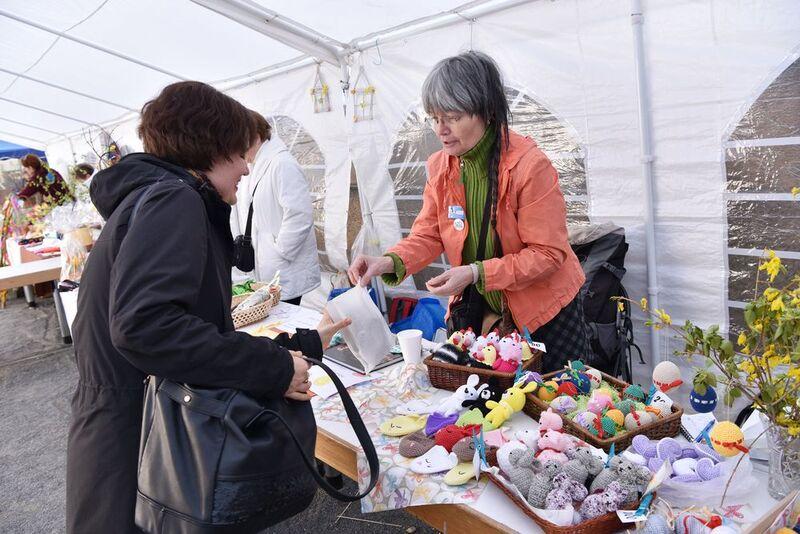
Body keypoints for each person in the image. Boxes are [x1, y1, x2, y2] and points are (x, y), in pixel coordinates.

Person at [66, 81, 349, 533]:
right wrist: (274, 369)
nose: (244, 165)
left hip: (128, 429)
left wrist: (301, 345)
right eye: (238, 152)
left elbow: (185, 331)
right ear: (211, 148)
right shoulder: (173, 200)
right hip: (140, 443)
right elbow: (148, 327)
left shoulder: (150, 198)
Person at [348, 51, 588, 372]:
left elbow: (548, 254)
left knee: (551, 406)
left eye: (453, 117)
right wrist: (387, 261)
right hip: (482, 310)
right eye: (434, 118)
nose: (440, 129)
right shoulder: (441, 166)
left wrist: (475, 273)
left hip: (542, 312)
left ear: (486, 111)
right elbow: (429, 233)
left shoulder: (530, 166)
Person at [231, 112, 320, 305]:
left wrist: (281, 251)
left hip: (283, 264)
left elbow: (299, 214)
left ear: (254, 135)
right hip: (267, 264)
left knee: (284, 321)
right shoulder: (255, 166)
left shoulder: (282, 164)